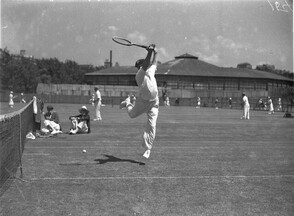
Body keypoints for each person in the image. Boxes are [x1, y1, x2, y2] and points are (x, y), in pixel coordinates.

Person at [120, 44, 159, 159]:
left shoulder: (151, 70)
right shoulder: (139, 75)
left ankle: (148, 149)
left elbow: (154, 62)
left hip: (154, 103)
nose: (140, 68)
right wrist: (149, 52)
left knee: (152, 125)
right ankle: (128, 102)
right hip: (143, 102)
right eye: (140, 67)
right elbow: (147, 63)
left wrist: (155, 51)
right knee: (131, 114)